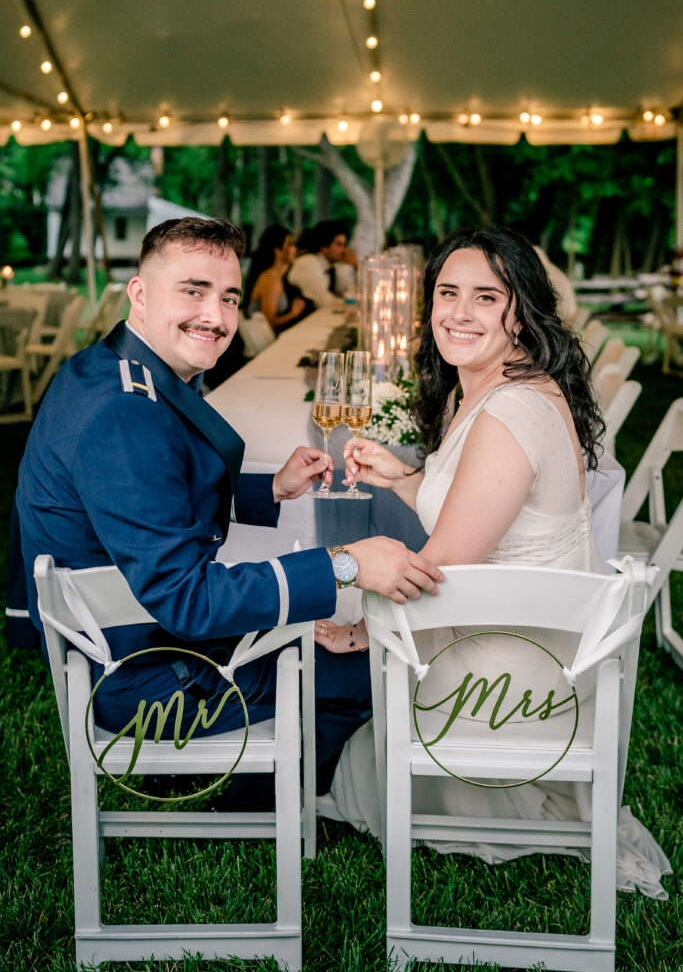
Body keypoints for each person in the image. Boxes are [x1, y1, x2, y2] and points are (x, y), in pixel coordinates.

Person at [15, 217, 444, 799]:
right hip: (148, 681)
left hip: (140, 640)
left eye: (229, 298)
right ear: (139, 295)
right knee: (371, 665)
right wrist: (345, 564)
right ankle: (248, 796)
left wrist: (264, 490)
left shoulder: (116, 370)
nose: (216, 318)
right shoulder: (124, 414)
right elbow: (188, 601)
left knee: (333, 629)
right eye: (192, 291)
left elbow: (144, 498)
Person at [314, 226, 670, 897]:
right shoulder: (488, 385)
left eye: (485, 297)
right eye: (447, 292)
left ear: (520, 313)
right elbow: (476, 519)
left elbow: (441, 566)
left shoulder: (509, 410)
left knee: (348, 743)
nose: (458, 312)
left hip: (511, 679)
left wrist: (361, 630)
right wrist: (401, 476)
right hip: (536, 640)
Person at [242, 225, 310, 334]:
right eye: (290, 244)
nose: (295, 248)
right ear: (278, 251)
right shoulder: (270, 279)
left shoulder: (277, 276)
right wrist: (293, 313)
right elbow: (269, 322)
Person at [287, 219, 358, 310]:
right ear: (324, 245)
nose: (344, 250)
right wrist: (351, 304)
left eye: (345, 245)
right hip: (299, 321)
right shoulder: (308, 263)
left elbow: (345, 291)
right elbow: (323, 301)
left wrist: (356, 266)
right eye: (339, 244)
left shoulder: (332, 266)